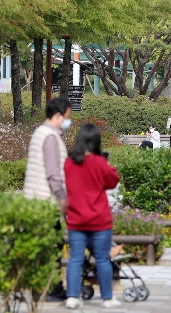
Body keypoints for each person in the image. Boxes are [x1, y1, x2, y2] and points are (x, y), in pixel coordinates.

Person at [64, 124, 121, 309]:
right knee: (103, 259)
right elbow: (112, 181)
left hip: (76, 220)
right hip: (99, 220)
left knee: (75, 259)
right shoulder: (99, 162)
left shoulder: (69, 162)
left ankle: (72, 296)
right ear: (96, 141)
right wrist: (108, 166)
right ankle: (107, 298)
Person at [23, 96, 72, 211]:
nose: (68, 121)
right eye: (67, 117)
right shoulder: (50, 137)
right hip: (45, 200)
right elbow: (53, 172)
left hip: (33, 197)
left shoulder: (39, 131)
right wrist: (62, 196)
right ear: (58, 116)